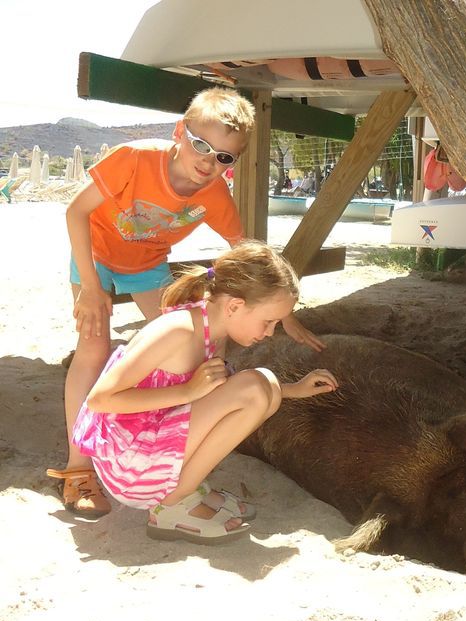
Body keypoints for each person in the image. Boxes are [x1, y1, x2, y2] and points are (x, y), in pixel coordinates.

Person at [47, 86, 325, 520]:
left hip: (148, 264)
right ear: (180, 132)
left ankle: (164, 444)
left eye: (224, 157)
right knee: (94, 345)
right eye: (201, 145)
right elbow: (75, 213)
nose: (208, 162)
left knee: (187, 346)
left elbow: (248, 257)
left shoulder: (214, 195)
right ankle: (79, 468)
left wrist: (284, 316)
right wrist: (89, 287)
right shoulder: (135, 159)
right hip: (95, 255)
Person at [66, 241, 339, 543]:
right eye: (268, 321)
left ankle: (184, 491)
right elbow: (100, 399)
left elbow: (222, 392)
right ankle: (172, 504)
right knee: (257, 386)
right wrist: (186, 391)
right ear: (235, 306)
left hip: (150, 447)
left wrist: (293, 390)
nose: (270, 332)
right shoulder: (177, 331)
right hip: (129, 466)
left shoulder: (213, 330)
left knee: (266, 389)